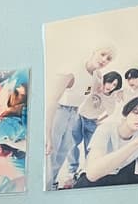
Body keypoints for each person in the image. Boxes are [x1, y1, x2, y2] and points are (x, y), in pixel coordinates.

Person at [45, 45, 115, 189]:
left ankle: (51, 185)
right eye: (102, 54)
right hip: (59, 111)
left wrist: (114, 92)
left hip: (74, 113)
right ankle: (45, 186)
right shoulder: (72, 70)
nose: (104, 60)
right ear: (94, 51)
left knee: (63, 153)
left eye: (109, 58)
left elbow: (98, 93)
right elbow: (51, 100)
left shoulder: (96, 76)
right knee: (50, 153)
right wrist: (47, 134)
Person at [74, 96, 138, 187]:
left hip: (115, 181)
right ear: (125, 114)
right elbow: (92, 175)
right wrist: (135, 143)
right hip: (91, 183)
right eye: (136, 113)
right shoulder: (106, 129)